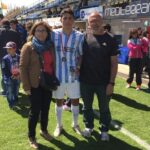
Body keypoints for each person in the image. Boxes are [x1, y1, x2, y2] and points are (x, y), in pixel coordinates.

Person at [80, 12, 118, 141]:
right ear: (88, 23)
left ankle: (104, 130)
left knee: (104, 109)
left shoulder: (111, 39)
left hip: (104, 83)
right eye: (92, 21)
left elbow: (114, 63)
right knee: (87, 107)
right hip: (86, 81)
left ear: (102, 21)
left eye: (97, 20)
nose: (94, 23)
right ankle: (88, 126)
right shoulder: (84, 37)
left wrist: (111, 83)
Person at [19, 21, 54, 149]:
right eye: (38, 30)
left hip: (47, 83)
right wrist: (26, 86)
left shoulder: (50, 46)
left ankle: (44, 130)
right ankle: (31, 136)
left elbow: (52, 64)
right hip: (34, 84)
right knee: (35, 111)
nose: (41, 33)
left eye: (43, 30)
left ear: (47, 32)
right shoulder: (28, 47)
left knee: (46, 109)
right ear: (33, 32)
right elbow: (22, 68)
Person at [51, 8, 84, 137]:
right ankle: (59, 126)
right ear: (60, 19)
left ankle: (75, 124)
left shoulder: (79, 36)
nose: (68, 20)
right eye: (65, 18)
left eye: (70, 18)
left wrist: (79, 66)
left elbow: (81, 54)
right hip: (57, 75)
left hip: (73, 76)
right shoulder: (53, 34)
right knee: (59, 101)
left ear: (74, 20)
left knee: (75, 100)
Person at [0, 19, 21, 95]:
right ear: (9, 24)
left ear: (2, 24)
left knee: (5, 73)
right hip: (14, 55)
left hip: (3, 56)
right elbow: (19, 44)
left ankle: (6, 90)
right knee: (16, 72)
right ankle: (15, 89)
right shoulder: (15, 32)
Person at [1, 41, 20, 109]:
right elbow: (4, 69)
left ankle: (15, 99)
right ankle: (11, 103)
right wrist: (9, 76)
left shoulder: (19, 57)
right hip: (9, 77)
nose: (8, 50)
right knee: (9, 91)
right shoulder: (5, 58)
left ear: (14, 49)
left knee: (16, 89)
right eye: (7, 49)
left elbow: (21, 66)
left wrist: (19, 75)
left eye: (10, 48)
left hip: (17, 76)